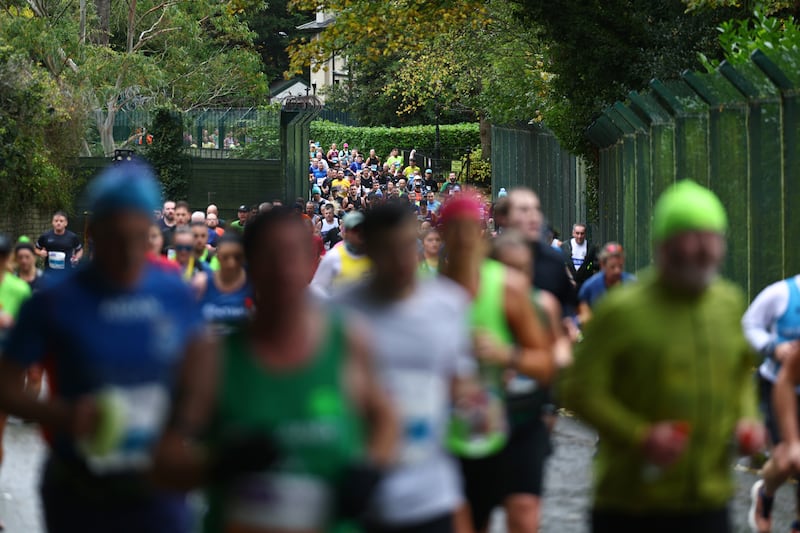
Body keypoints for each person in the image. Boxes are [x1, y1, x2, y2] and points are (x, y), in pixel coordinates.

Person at [152, 207, 398, 533]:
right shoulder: (212, 357)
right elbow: (163, 463)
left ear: (311, 262)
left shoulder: (349, 341)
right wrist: (218, 465)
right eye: (269, 256)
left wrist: (370, 471)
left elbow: (386, 418)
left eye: (292, 254)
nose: (282, 269)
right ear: (249, 263)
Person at [0, 160, 210, 533]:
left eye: (137, 237)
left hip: (156, 487)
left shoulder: (172, 292)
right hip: (78, 487)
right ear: (93, 231)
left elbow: (200, 367)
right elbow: (6, 385)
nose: (127, 252)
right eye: (115, 238)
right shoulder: (53, 299)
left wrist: (183, 427)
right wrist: (63, 416)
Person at [560, 180, 765, 533]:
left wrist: (747, 419)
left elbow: (739, 373)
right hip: (632, 503)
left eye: (711, 243)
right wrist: (640, 435)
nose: (701, 253)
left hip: (709, 500)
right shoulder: (622, 311)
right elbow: (576, 388)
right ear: (662, 248)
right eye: (689, 244)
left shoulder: (727, 302)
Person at [335, 203, 475, 533]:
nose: (400, 261)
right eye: (387, 250)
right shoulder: (340, 312)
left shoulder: (449, 304)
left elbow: (461, 384)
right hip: (363, 491)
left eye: (405, 247)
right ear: (368, 250)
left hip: (431, 493)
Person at [438, 195, 556, 533]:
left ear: (483, 233)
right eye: (454, 230)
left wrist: (507, 355)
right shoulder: (429, 295)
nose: (462, 239)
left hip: (517, 419)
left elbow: (545, 363)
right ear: (441, 234)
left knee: (523, 511)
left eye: (470, 230)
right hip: (460, 429)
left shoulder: (509, 287)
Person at [488, 229, 573, 533]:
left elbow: (556, 353)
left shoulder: (543, 304)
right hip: (483, 420)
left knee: (525, 510)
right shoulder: (475, 303)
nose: (517, 277)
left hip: (527, 418)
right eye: (508, 268)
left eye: (523, 269)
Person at [742, 271, 800, 533]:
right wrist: (772, 346)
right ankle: (765, 493)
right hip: (777, 384)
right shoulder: (782, 294)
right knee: (786, 458)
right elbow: (749, 324)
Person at [311, 211, 371, 297]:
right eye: (355, 230)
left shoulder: (374, 255)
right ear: (345, 232)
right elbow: (317, 287)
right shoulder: (334, 256)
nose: (359, 233)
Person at [577, 242, 636, 325]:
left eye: (620, 266)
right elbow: (583, 313)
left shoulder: (632, 284)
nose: (617, 271)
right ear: (602, 265)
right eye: (612, 267)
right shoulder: (590, 287)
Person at [561, 223, 599, 290]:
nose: (579, 236)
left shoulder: (591, 248)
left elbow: (596, 266)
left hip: (584, 284)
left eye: (582, 233)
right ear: (573, 233)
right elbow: (562, 264)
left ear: (585, 234)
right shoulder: (565, 246)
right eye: (577, 233)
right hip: (568, 284)